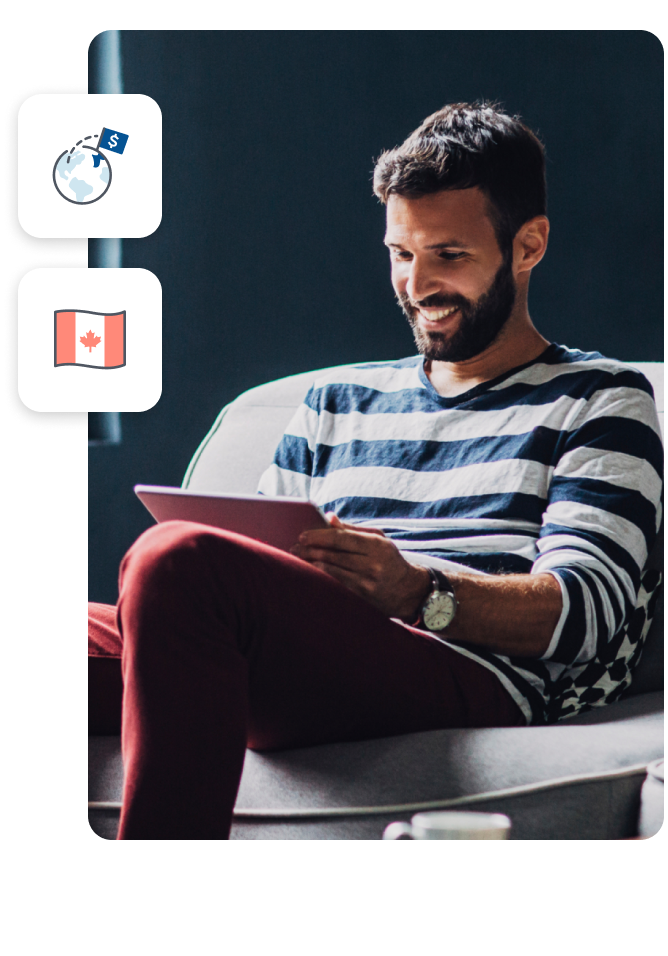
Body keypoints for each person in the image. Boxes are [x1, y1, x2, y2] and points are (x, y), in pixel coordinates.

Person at [88, 102, 663, 844]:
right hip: (315, 648)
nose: (417, 283)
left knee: (174, 558)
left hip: (466, 668)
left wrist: (416, 591)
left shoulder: (601, 400)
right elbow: (251, 576)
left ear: (528, 246)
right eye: (401, 253)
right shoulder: (337, 400)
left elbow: (583, 613)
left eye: (448, 255)